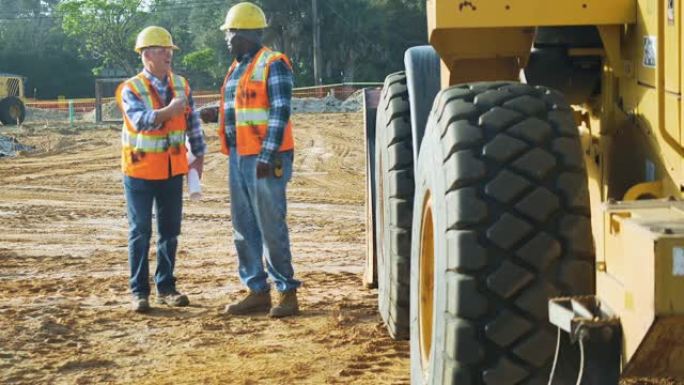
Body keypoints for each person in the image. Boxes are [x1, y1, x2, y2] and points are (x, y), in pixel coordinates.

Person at [204, 2, 301, 318]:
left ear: (242, 34)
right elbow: (244, 109)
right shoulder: (237, 68)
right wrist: (215, 114)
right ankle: (257, 290)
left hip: (263, 158)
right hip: (239, 157)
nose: (226, 39)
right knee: (244, 227)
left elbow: (279, 110)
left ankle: (286, 292)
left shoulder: (273, 63)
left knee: (271, 225)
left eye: (229, 32)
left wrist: (267, 153)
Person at [116, 26, 206, 313]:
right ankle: (139, 292)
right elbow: (140, 121)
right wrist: (169, 110)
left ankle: (166, 287)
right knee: (140, 231)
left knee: (170, 231)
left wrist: (199, 154)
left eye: (169, 50)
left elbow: (192, 123)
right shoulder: (131, 88)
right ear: (145, 55)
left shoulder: (181, 84)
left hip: (171, 170)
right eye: (161, 49)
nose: (168, 54)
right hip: (140, 171)